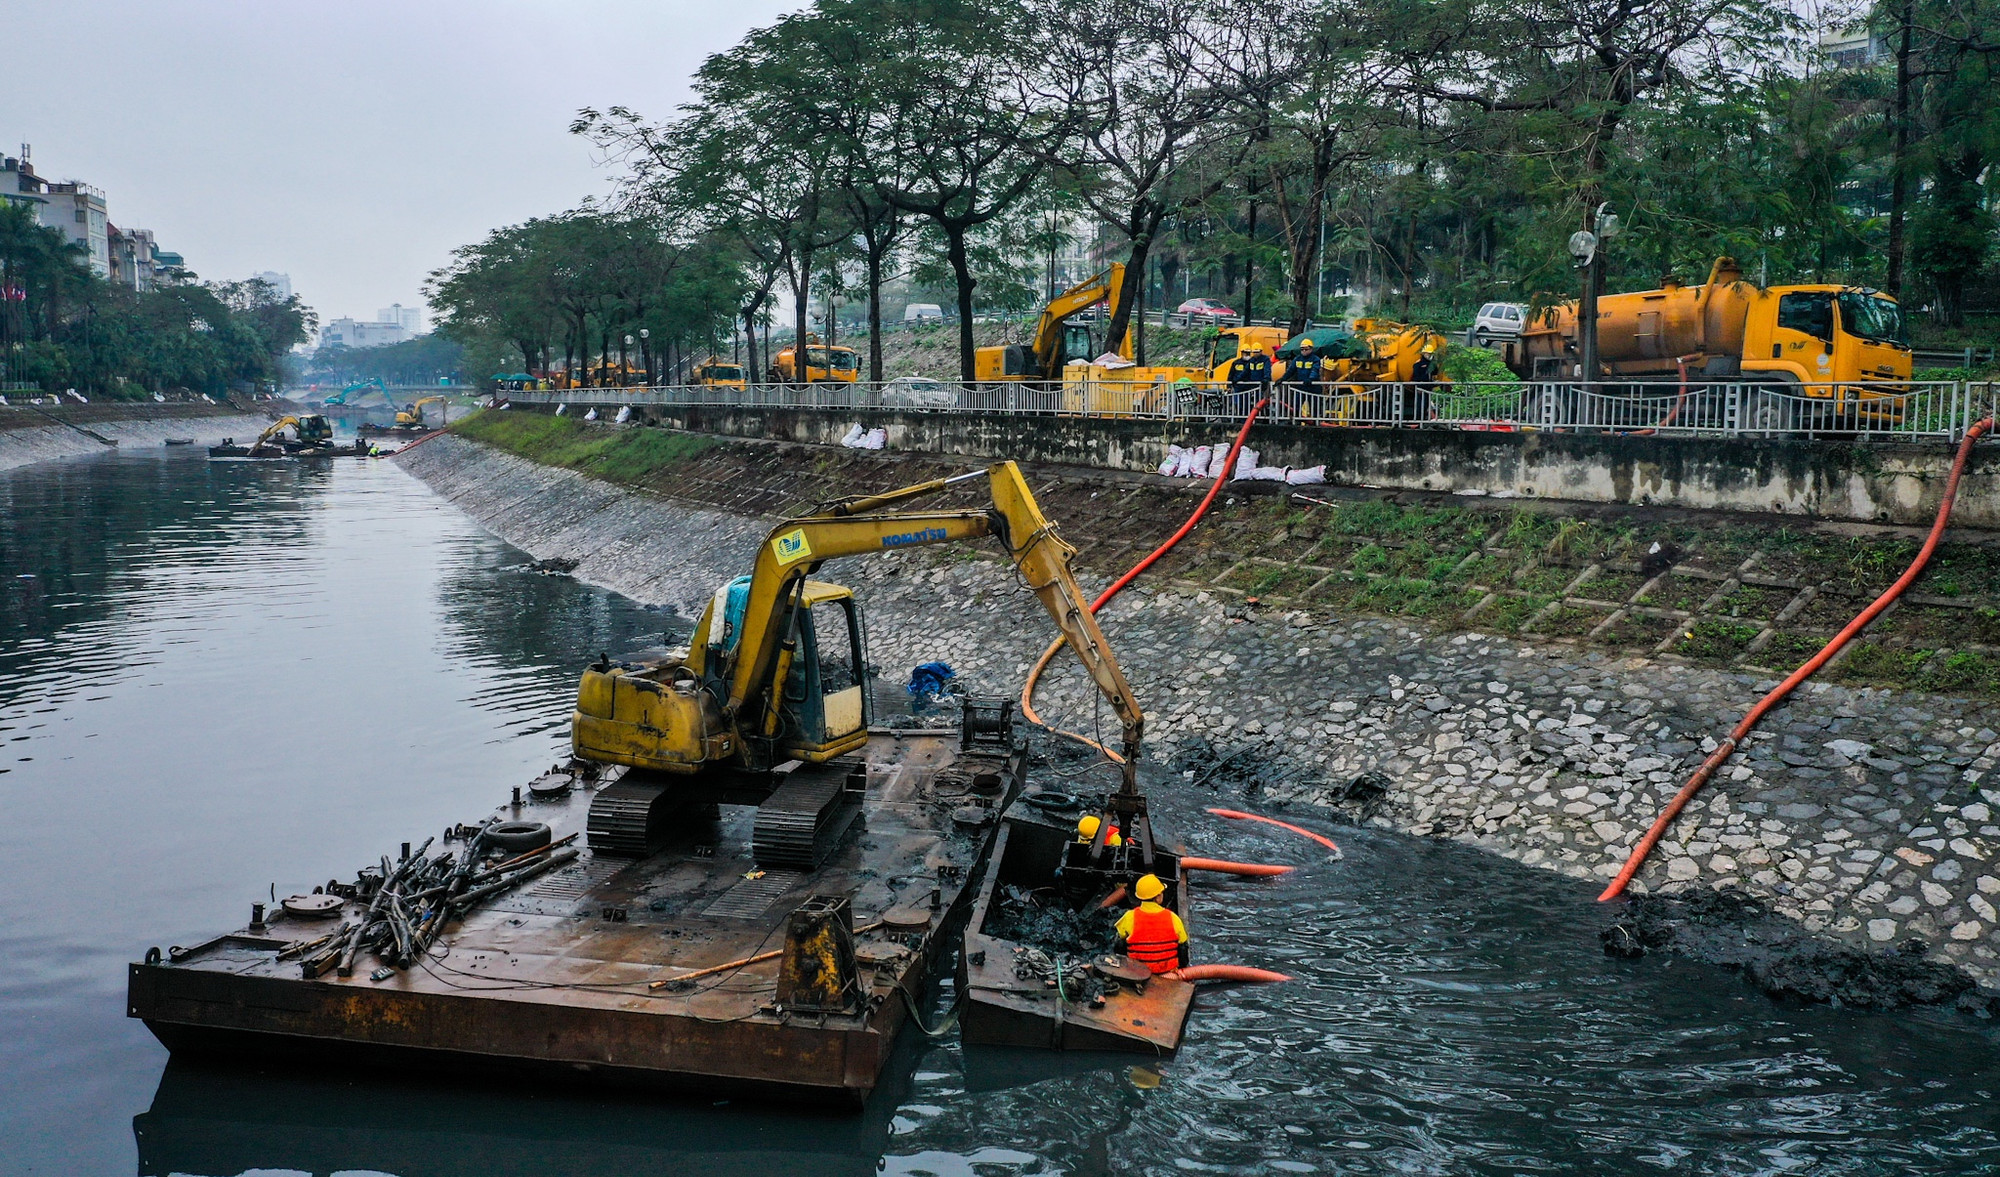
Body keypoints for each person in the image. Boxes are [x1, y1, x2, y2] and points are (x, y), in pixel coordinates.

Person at [1115, 873, 1188, 974]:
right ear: (1158, 897)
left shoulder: (1129, 916)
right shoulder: (1173, 917)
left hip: (1137, 973)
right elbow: (1183, 948)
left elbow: (1119, 944)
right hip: (1167, 971)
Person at [1225, 345, 1272, 415]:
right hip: (1244, 387)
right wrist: (1235, 380)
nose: (1255, 354)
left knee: (1260, 403)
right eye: (1254, 352)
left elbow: (1267, 370)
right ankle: (1243, 418)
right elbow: (1244, 372)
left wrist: (1266, 379)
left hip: (1258, 386)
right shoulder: (1239, 362)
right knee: (1241, 404)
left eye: (1248, 353)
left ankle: (1261, 417)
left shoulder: (1264, 359)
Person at [1284, 338, 1323, 419]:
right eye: (1302, 349)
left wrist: (1311, 379)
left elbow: (1315, 370)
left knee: (1315, 407)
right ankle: (1296, 422)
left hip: (1313, 388)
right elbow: (1291, 370)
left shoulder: (1315, 359)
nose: (1304, 351)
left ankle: (1316, 422)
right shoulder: (1297, 359)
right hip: (1301, 387)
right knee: (1296, 406)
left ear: (1311, 349)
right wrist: (1283, 379)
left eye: (1306, 349)